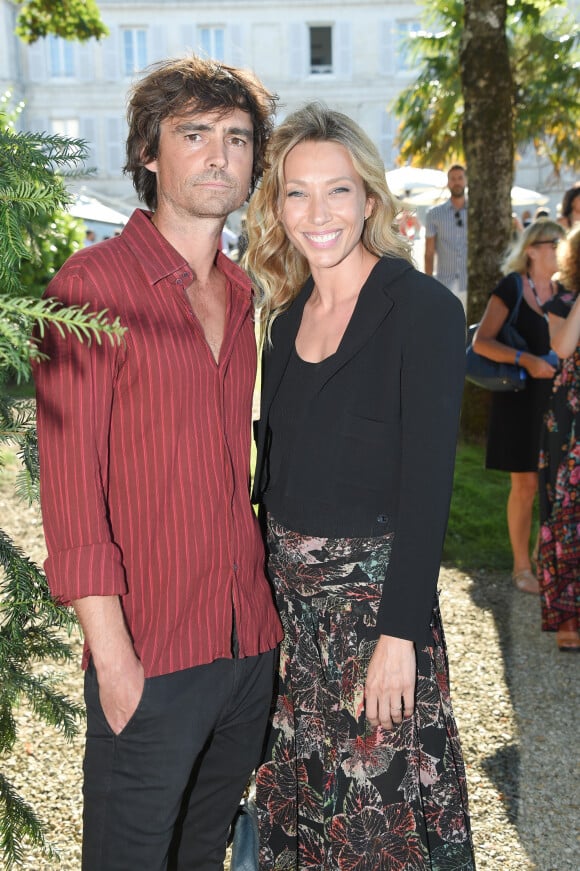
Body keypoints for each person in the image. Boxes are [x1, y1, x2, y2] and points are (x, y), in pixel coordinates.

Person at [33, 55, 283, 871]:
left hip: (246, 648)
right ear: (149, 152)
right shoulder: (90, 286)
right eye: (195, 134)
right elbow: (71, 494)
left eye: (238, 139)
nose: (220, 156)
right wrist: (114, 659)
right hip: (151, 651)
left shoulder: (244, 293)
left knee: (200, 857)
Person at [246, 103, 475, 869]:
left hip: (372, 625)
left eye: (337, 191)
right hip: (293, 632)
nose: (319, 213)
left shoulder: (423, 313)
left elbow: (429, 485)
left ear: (370, 200)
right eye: (297, 192)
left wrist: (399, 637)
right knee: (302, 819)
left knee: (375, 830)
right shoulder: (283, 317)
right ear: (276, 205)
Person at [473, 220, 566, 594]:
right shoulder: (512, 286)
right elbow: (481, 342)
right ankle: (521, 566)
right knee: (526, 485)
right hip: (520, 399)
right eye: (554, 243)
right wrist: (527, 360)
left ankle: (547, 561)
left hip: (558, 400)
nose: (561, 249)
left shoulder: (567, 290)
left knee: (556, 487)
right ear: (532, 248)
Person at [537, 225, 580, 651]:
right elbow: (563, 348)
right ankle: (568, 617)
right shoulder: (562, 300)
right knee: (567, 511)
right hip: (571, 418)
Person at [424, 164, 468, 308]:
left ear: (466, 181)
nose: (457, 182)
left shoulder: (476, 212)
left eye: (460, 178)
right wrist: (428, 285)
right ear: (448, 182)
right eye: (453, 179)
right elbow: (429, 253)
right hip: (445, 284)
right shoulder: (434, 214)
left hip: (471, 284)